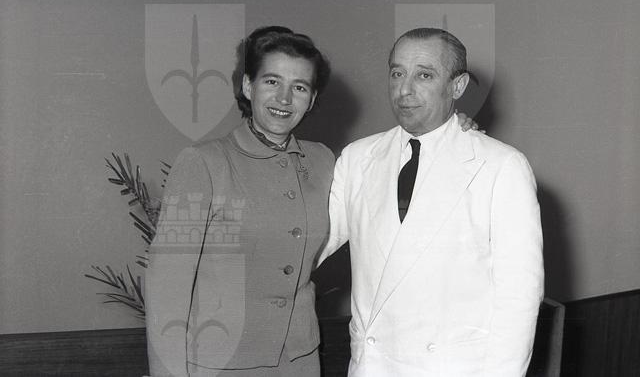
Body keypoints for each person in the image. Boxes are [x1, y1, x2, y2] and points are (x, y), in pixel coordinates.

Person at [145, 26, 478, 377]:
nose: (284, 98)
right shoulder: (202, 163)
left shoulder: (322, 160)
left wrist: (452, 129)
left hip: (299, 360)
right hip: (216, 362)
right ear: (247, 86)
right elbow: (166, 287)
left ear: (312, 98)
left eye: (299, 87)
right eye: (271, 81)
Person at [318, 28, 544, 376]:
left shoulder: (501, 166)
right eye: (397, 73)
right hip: (373, 366)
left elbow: (519, 297)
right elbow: (310, 244)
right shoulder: (357, 158)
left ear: (457, 86)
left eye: (424, 75)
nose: (404, 90)